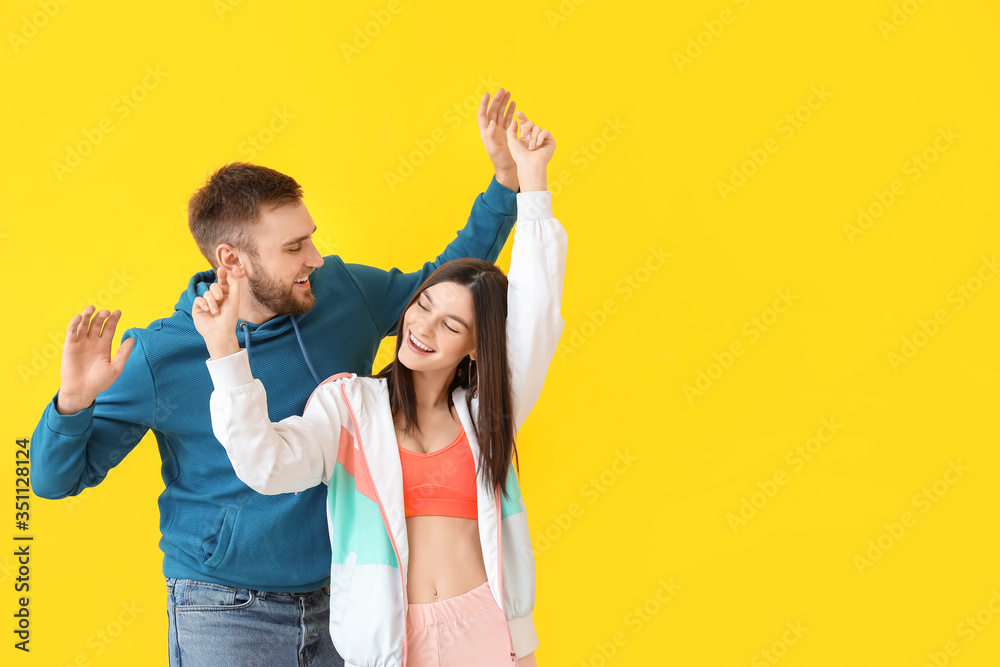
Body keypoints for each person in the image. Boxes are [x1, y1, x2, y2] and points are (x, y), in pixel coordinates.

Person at [30, 90, 524, 666]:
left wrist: (506, 185)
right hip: (224, 608)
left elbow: (446, 291)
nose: (316, 256)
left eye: (310, 236)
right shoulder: (158, 355)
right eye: (294, 247)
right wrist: (72, 403)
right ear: (232, 261)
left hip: (348, 597)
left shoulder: (343, 293)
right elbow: (54, 480)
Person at [193, 109, 564, 667]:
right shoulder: (349, 406)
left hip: (490, 633)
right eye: (423, 305)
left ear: (476, 347)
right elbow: (265, 465)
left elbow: (536, 313)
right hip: (392, 645)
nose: (423, 329)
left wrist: (532, 182)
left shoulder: (487, 411)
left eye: (452, 326)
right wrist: (225, 352)